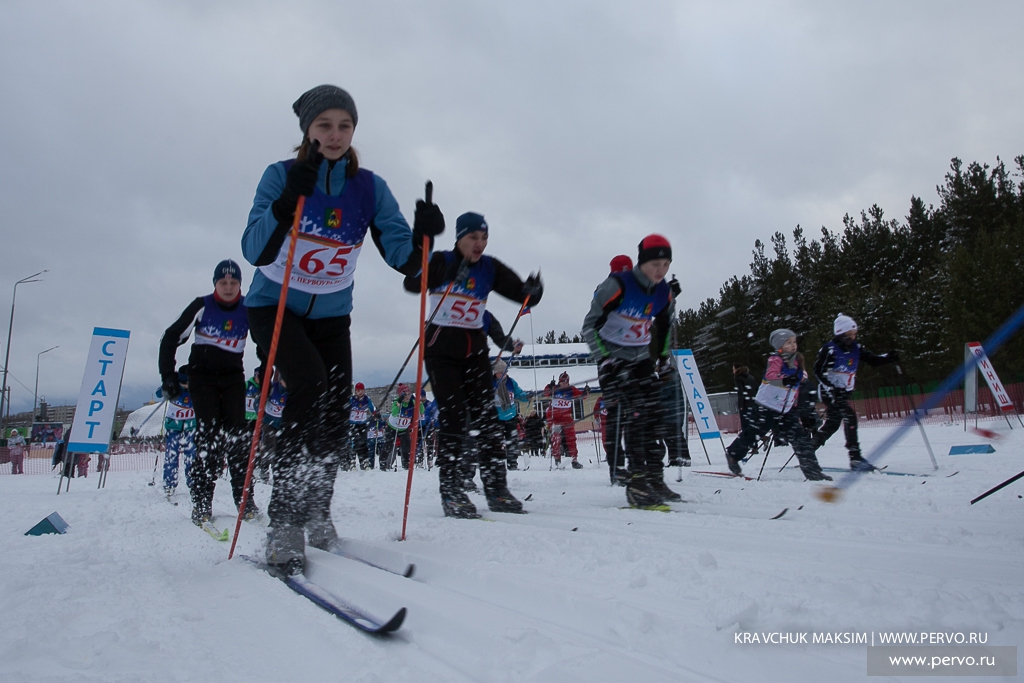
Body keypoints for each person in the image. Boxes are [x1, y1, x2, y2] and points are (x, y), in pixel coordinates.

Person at [241, 84, 442, 573]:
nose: (335, 135)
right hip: (274, 306)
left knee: (333, 414)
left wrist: (423, 239)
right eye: (324, 125)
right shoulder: (281, 175)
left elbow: (403, 259)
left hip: (332, 315)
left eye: (344, 126)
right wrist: (286, 202)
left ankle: (316, 508)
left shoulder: (369, 187)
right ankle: (284, 521)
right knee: (308, 384)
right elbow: (254, 250)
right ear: (307, 130)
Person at [404, 211, 541, 518]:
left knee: (487, 419)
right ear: (459, 238)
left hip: (474, 351)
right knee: (453, 417)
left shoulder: (489, 267)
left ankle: (496, 489)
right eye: (473, 237)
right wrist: (445, 273)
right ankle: (452, 491)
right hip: (440, 350)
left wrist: (533, 292)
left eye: (484, 237)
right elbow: (411, 283)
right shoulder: (442, 260)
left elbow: (521, 294)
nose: (480, 243)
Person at [582, 234, 679, 505]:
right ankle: (636, 481)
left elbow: (665, 325)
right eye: (655, 264)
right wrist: (604, 360)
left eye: (666, 265)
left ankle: (655, 478)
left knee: (655, 415)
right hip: (614, 360)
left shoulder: (662, 291)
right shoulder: (617, 285)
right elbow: (589, 326)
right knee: (636, 413)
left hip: (641, 359)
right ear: (642, 262)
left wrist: (663, 360)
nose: (660, 271)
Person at [159, 260, 255, 527]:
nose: (228, 287)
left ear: (240, 284)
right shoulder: (202, 305)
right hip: (203, 380)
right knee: (209, 440)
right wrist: (168, 376)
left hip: (233, 379)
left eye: (233, 283)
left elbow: (265, 338)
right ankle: (202, 503)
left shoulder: (248, 307)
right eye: (223, 282)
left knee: (239, 440)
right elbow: (171, 337)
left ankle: (245, 501)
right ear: (215, 283)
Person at [724, 330, 830, 481]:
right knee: (754, 433)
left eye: (794, 342)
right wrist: (786, 379)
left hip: (786, 409)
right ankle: (733, 455)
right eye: (788, 343)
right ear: (780, 346)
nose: (793, 345)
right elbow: (771, 376)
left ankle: (812, 471)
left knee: (800, 438)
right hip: (766, 406)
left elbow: (797, 385)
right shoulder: (775, 359)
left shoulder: (797, 361)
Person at [813, 314, 898, 471]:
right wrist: (831, 388)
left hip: (843, 392)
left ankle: (808, 450)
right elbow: (818, 371)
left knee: (832, 424)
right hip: (830, 392)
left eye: (854, 334)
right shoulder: (830, 349)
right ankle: (855, 457)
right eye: (849, 334)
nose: (852, 337)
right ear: (840, 334)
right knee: (850, 417)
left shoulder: (856, 348)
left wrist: (888, 358)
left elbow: (872, 360)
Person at [159, 366, 196, 496]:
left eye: (187, 383)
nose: (185, 386)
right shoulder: (175, 386)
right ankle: (170, 484)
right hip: (173, 426)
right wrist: (167, 385)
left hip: (191, 426)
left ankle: (193, 482)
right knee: (171, 455)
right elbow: (159, 393)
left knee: (191, 455)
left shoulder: (195, 388)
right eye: (183, 383)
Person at [543, 372, 588, 469]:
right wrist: (549, 386)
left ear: (568, 382)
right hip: (554, 418)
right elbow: (546, 393)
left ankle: (574, 460)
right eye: (562, 382)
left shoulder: (571, 389)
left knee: (571, 439)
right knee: (556, 438)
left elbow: (582, 396)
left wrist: (586, 392)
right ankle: (557, 459)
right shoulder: (555, 388)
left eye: (565, 382)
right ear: (559, 382)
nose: (563, 384)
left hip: (567, 418)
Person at [493, 358, 530, 470]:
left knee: (512, 441)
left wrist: (526, 397)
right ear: (495, 373)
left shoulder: (511, 382)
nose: (503, 375)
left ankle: (512, 463)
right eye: (500, 372)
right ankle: (497, 464)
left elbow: (519, 394)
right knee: (496, 442)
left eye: (504, 372)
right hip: (497, 417)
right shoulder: (491, 383)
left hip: (511, 416)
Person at [385, 383, 422, 470]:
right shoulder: (396, 402)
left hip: (404, 428)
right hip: (393, 427)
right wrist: (398, 404)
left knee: (406, 446)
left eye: (409, 394)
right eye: (405, 395)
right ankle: (385, 463)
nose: (407, 396)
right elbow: (394, 413)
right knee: (390, 446)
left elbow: (421, 411)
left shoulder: (412, 402)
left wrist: (419, 404)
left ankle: (406, 464)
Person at [732, 364, 760, 455]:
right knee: (752, 424)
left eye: (733, 368)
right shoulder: (751, 377)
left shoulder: (738, 378)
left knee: (746, 426)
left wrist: (741, 405)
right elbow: (757, 389)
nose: (733, 371)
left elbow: (740, 392)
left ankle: (754, 445)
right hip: (754, 403)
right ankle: (757, 442)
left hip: (745, 405)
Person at [348, 382, 376, 470]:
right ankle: (352, 460)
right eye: (358, 391)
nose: (360, 392)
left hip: (362, 424)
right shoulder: (352, 399)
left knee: (363, 442)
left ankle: (364, 460)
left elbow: (372, 408)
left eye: (361, 390)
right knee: (354, 441)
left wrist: (375, 413)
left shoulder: (367, 399)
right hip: (353, 424)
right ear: (355, 391)